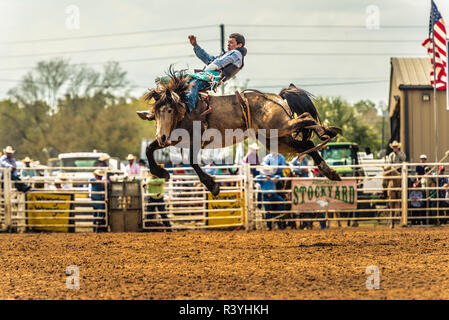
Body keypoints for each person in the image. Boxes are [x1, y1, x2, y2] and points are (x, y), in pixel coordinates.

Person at [185, 33, 247, 112]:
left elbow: (219, 63)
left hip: (214, 78)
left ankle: (188, 108)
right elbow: (209, 59)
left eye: (231, 42)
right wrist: (195, 46)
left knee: (194, 84)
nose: (228, 44)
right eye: (228, 42)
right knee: (186, 82)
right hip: (211, 76)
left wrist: (205, 71)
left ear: (239, 45)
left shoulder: (236, 54)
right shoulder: (227, 54)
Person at [255, 166, 286, 230]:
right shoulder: (261, 178)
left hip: (273, 195)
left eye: (268, 171)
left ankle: (279, 215)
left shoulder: (273, 176)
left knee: (282, 202)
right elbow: (256, 178)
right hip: (266, 196)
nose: (267, 172)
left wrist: (276, 178)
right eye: (266, 171)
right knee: (267, 211)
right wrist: (264, 177)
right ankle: (269, 226)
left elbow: (279, 177)